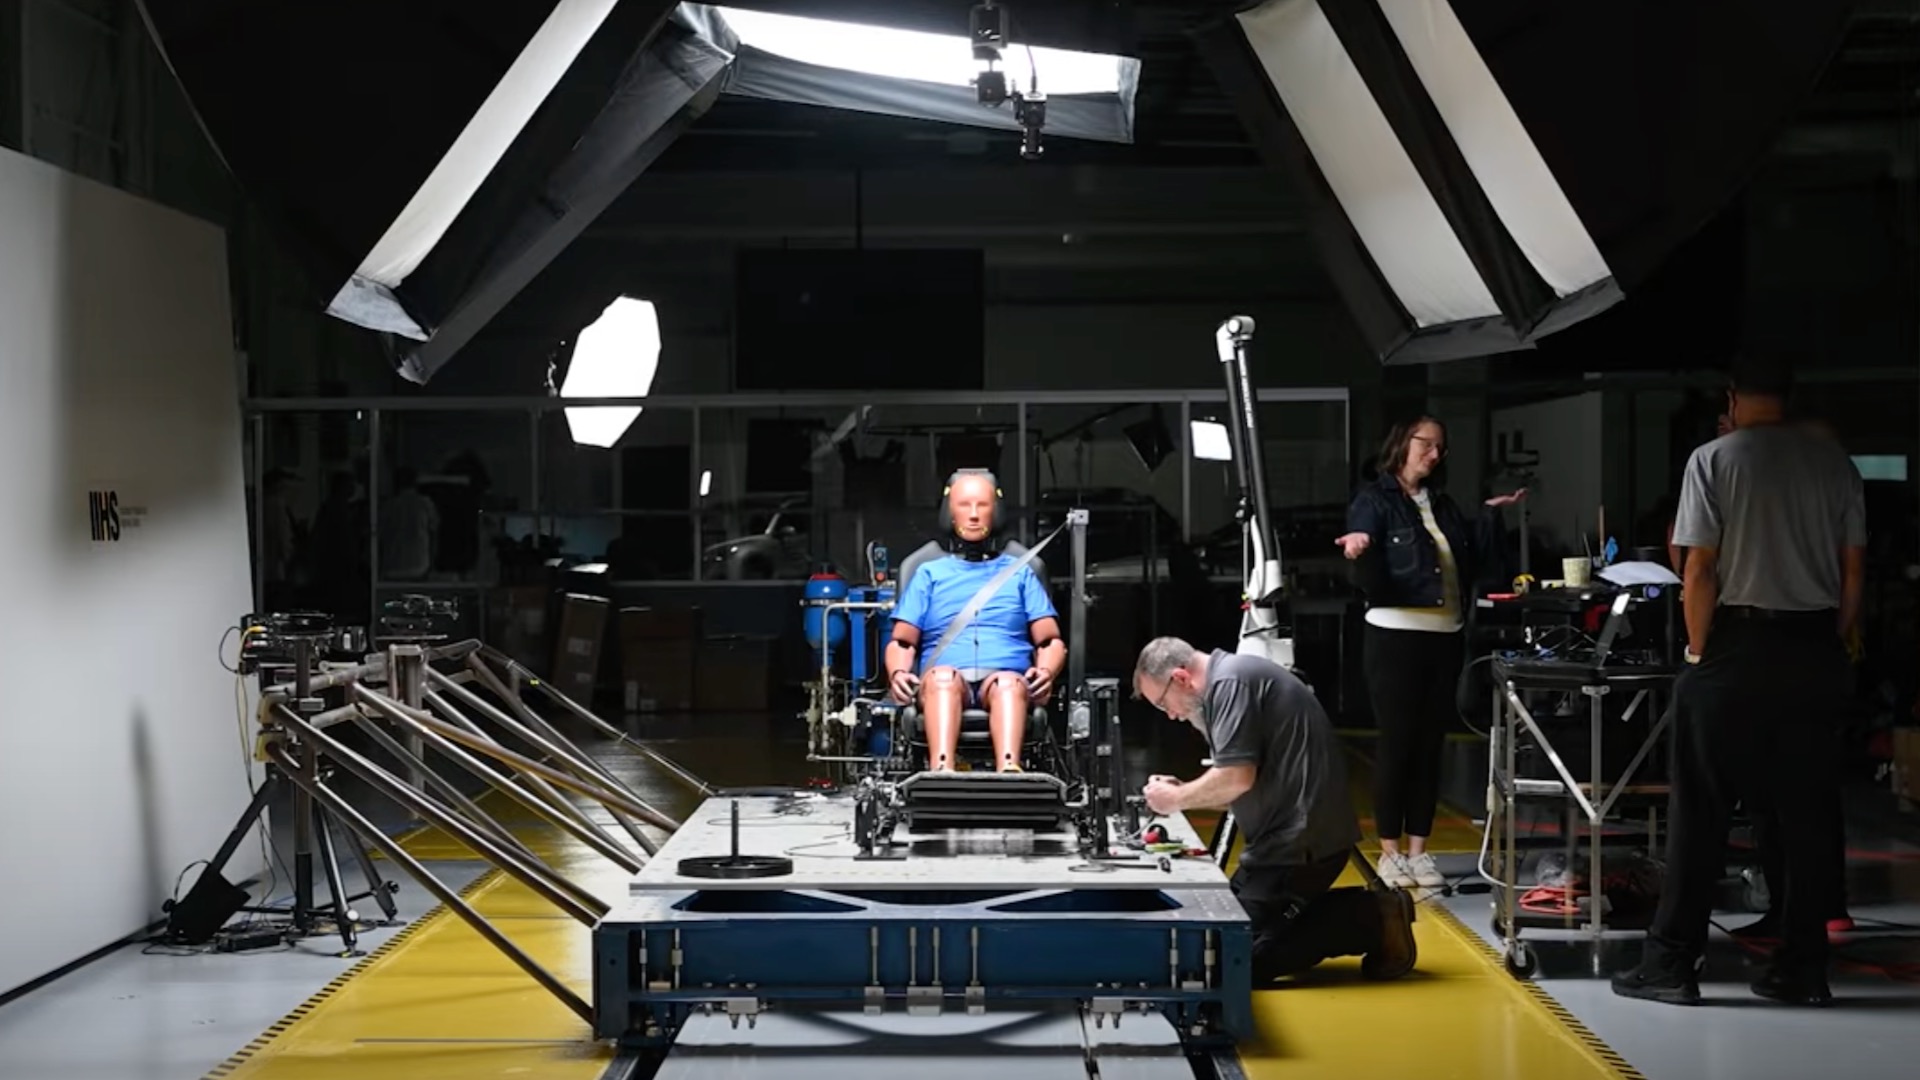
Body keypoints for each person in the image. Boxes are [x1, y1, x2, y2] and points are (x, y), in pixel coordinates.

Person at [1612, 357, 1865, 1008]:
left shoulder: (1715, 459)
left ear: (1732, 395)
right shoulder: (1834, 463)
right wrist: (1826, 643)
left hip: (1737, 646)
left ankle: (1671, 963)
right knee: (1806, 818)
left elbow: (1698, 569)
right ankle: (1802, 970)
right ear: (1789, 395)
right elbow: (1853, 573)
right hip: (1812, 648)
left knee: (1700, 812)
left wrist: (1700, 651)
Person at [1132, 637, 1417, 983]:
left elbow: (1236, 778)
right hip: (1279, 844)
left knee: (1228, 961)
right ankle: (1331, 917)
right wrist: (1184, 791)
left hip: (1299, 845)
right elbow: (1240, 786)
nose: (1173, 716)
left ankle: (1374, 917)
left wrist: (1175, 800)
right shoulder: (1229, 683)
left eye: (1164, 704)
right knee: (1215, 930)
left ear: (1180, 677)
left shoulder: (1231, 684)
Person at [1335, 417, 1524, 889]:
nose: (1435, 454)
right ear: (1402, 444)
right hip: (1395, 636)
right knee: (1398, 743)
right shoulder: (1375, 499)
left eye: (1441, 447)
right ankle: (1390, 853)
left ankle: (1419, 852)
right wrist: (1359, 545)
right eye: (1427, 444)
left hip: (1446, 635)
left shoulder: (1442, 504)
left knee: (1429, 745)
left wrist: (1488, 515)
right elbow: (1361, 537)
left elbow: (1472, 562)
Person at [887, 470, 1066, 772]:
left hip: (1008, 677)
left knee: (1008, 684)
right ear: (949, 512)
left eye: (981, 505)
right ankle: (940, 769)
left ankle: (1009, 768)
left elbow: (1050, 640)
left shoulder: (1021, 571)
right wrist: (898, 673)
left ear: (995, 511)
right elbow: (902, 641)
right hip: (942, 676)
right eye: (963, 505)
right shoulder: (928, 572)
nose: (972, 515)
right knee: (943, 681)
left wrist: (1047, 671)